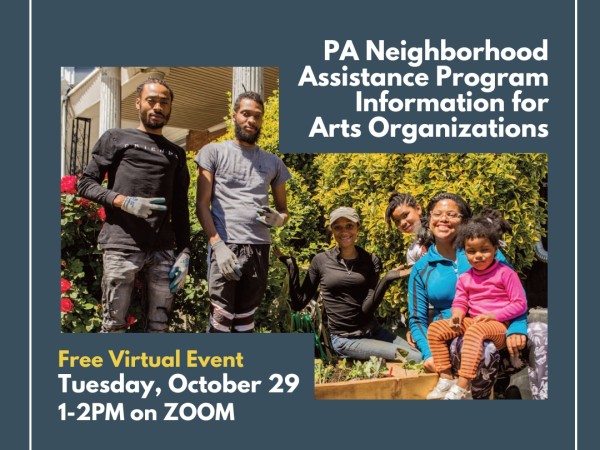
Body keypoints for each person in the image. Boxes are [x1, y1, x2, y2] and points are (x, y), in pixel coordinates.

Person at [408, 193, 548, 399]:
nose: (443, 219)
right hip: (457, 338)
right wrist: (429, 354)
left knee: (542, 331)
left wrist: (517, 328)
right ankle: (472, 393)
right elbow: (417, 319)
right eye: (437, 213)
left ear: (464, 221)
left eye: (451, 214)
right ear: (429, 219)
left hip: (496, 327)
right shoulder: (422, 268)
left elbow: (515, 297)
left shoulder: (486, 251)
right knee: (483, 345)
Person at [77, 78, 190, 333]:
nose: (157, 106)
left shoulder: (176, 153)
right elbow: (85, 184)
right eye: (151, 100)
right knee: (114, 325)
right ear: (138, 102)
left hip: (163, 251)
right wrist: (123, 201)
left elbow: (181, 207)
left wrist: (184, 252)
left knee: (159, 327)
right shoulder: (116, 138)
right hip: (121, 245)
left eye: (164, 102)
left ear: (170, 107)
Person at [195, 91, 291, 333]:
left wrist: (279, 220)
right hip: (226, 245)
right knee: (221, 320)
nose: (251, 120)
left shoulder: (273, 163)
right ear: (234, 116)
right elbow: (201, 205)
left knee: (245, 321)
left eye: (257, 116)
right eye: (246, 114)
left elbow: (283, 210)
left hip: (259, 246)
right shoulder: (213, 152)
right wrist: (217, 246)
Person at [275, 206, 421, 362]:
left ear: (358, 227)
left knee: (422, 353)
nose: (344, 231)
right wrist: (292, 266)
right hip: (346, 340)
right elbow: (298, 303)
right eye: (338, 227)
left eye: (349, 226)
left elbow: (367, 309)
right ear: (332, 230)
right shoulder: (321, 261)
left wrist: (385, 280)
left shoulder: (371, 261)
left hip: (373, 331)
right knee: (415, 358)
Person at [426, 210, 527, 399]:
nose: (478, 256)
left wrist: (494, 315)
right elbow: (461, 300)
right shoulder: (465, 278)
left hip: (498, 327)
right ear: (464, 251)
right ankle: (446, 377)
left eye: (484, 250)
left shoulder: (505, 273)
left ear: (496, 249)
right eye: (471, 251)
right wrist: (457, 315)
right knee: (435, 329)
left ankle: (462, 386)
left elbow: (520, 304)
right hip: (474, 322)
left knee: (475, 332)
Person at [385, 192, 431, 266]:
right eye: (397, 221)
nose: (402, 223)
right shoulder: (411, 251)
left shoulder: (438, 231)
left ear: (418, 209)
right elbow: (416, 275)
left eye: (405, 215)